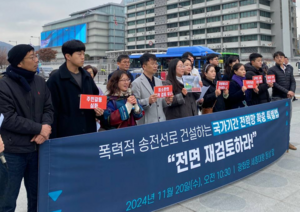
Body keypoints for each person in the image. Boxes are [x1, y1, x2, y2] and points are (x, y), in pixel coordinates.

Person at [0, 44, 54, 211]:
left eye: (35, 56)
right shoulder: (4, 85)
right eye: (32, 57)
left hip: (38, 149)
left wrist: (45, 129)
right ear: (19, 63)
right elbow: (7, 119)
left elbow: (48, 108)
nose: (36, 60)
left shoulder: (39, 81)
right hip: (13, 152)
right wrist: (39, 129)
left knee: (37, 198)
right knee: (7, 200)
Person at [46, 40, 104, 138]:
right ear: (68, 56)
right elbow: (51, 111)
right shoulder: (55, 79)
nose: (83, 57)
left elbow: (95, 98)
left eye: (83, 54)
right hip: (66, 135)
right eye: (79, 54)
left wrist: (98, 112)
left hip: (88, 132)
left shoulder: (87, 77)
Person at [131, 53, 173, 124]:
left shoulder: (159, 81)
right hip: (147, 122)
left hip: (161, 121)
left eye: (156, 63)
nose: (155, 66)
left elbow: (160, 102)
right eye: (152, 64)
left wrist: (166, 101)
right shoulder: (136, 83)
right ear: (144, 66)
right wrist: (148, 101)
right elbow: (134, 105)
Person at [268, 51, 297, 150]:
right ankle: (277, 143)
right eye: (277, 57)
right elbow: (274, 84)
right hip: (277, 98)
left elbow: (292, 81)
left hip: (288, 99)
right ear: (274, 59)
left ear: (284, 58)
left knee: (287, 121)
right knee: (278, 122)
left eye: (281, 57)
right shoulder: (271, 70)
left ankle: (286, 142)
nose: (279, 58)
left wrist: (292, 91)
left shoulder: (289, 68)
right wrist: (287, 91)